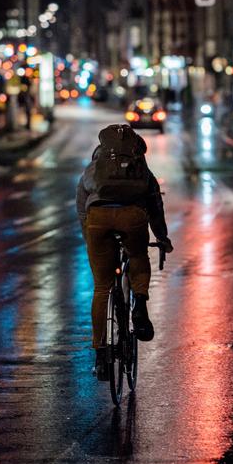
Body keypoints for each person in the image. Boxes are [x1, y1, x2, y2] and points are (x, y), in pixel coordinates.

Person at [76, 124, 173, 380]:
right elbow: (155, 206)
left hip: (98, 220)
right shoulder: (140, 168)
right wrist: (162, 238)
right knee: (139, 257)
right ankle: (139, 305)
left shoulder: (95, 167)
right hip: (133, 218)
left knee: (101, 288)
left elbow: (81, 206)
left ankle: (100, 358)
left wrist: (90, 237)